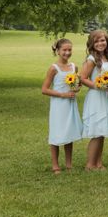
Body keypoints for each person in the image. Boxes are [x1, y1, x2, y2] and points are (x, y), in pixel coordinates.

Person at [41, 38, 83, 174]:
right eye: (64, 50)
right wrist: (62, 95)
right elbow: (45, 89)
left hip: (70, 104)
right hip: (59, 105)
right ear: (58, 51)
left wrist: (76, 88)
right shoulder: (54, 68)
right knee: (57, 133)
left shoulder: (73, 67)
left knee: (69, 133)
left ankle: (69, 164)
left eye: (69, 50)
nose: (67, 52)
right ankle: (55, 165)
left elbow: (75, 85)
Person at [80, 30, 108, 170]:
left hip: (107, 96)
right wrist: (98, 85)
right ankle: (90, 164)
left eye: (102, 40)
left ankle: (98, 162)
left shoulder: (106, 57)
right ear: (91, 43)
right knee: (97, 132)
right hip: (96, 96)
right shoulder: (91, 59)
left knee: (102, 131)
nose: (100, 43)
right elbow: (82, 78)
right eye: (96, 41)